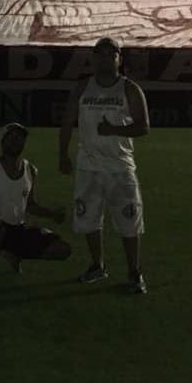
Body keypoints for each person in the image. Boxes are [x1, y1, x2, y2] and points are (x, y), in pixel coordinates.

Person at [58, 36, 150, 294]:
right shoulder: (82, 88)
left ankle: (135, 273)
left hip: (120, 168)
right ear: (93, 58)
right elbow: (67, 122)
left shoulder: (129, 89)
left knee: (129, 220)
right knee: (88, 218)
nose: (104, 59)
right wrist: (62, 155)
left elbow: (144, 127)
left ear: (119, 59)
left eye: (111, 55)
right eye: (100, 54)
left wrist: (114, 129)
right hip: (88, 166)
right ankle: (97, 265)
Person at [0, 123, 70, 291]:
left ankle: (13, 252)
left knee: (62, 249)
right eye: (12, 137)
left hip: (17, 228)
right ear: (3, 142)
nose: (16, 142)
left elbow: (30, 205)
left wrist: (53, 214)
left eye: (20, 138)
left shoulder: (30, 170)